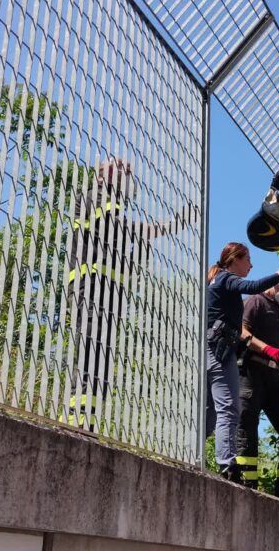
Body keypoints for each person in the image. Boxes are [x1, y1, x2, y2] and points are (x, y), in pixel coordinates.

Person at [66, 158, 194, 428]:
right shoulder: (94, 196)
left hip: (110, 292)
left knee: (101, 359)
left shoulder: (116, 204)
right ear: (102, 175)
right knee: (91, 352)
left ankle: (87, 423)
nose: (126, 174)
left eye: (128, 172)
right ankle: (76, 422)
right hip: (90, 285)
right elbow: (119, 228)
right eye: (119, 169)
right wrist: (168, 225)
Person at [205, 243, 279, 481]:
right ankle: (227, 464)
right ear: (235, 259)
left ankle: (190, 450)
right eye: (248, 260)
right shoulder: (226, 278)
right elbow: (252, 287)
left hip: (210, 350)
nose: (251, 265)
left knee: (211, 412)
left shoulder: (216, 281)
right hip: (220, 353)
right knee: (228, 409)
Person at [236, 276, 279, 503]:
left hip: (276, 377)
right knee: (247, 428)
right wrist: (266, 348)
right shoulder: (256, 302)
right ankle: (246, 487)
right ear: (277, 283)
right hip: (251, 372)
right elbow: (241, 330)